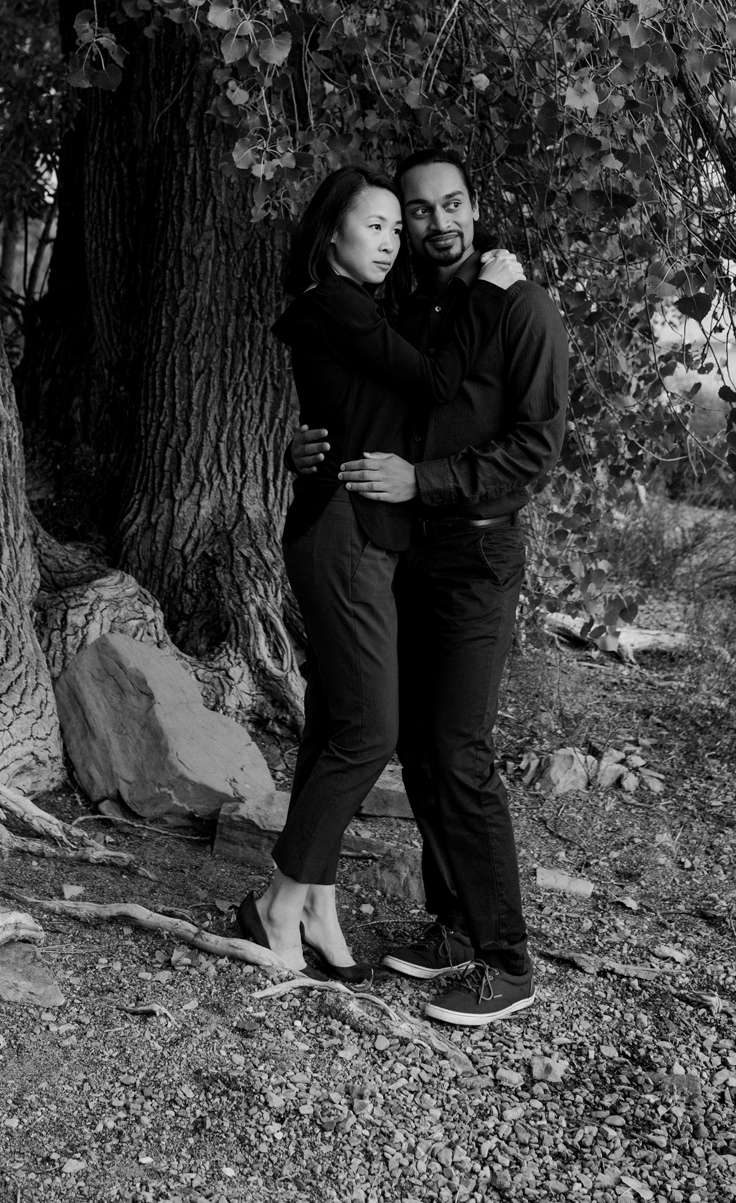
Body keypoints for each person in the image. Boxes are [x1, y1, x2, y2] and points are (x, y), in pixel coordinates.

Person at [291, 148, 568, 1023]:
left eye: (453, 204)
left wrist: (426, 480)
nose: (438, 221)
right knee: (412, 744)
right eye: (418, 210)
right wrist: (311, 447)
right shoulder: (404, 308)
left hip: (476, 555)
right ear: (404, 224)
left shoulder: (521, 307)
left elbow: (535, 450)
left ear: (474, 208)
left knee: (458, 750)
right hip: (398, 549)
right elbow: (372, 402)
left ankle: (506, 960)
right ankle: (451, 926)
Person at [233, 164, 524, 981]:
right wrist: (491, 293)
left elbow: (368, 403)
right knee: (370, 732)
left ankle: (315, 903)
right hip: (345, 531)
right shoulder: (337, 302)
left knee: (338, 719)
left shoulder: (361, 308)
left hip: (364, 531)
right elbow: (436, 383)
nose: (393, 242)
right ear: (332, 234)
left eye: (399, 228)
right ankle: (279, 902)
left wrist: (308, 439)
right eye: (377, 226)